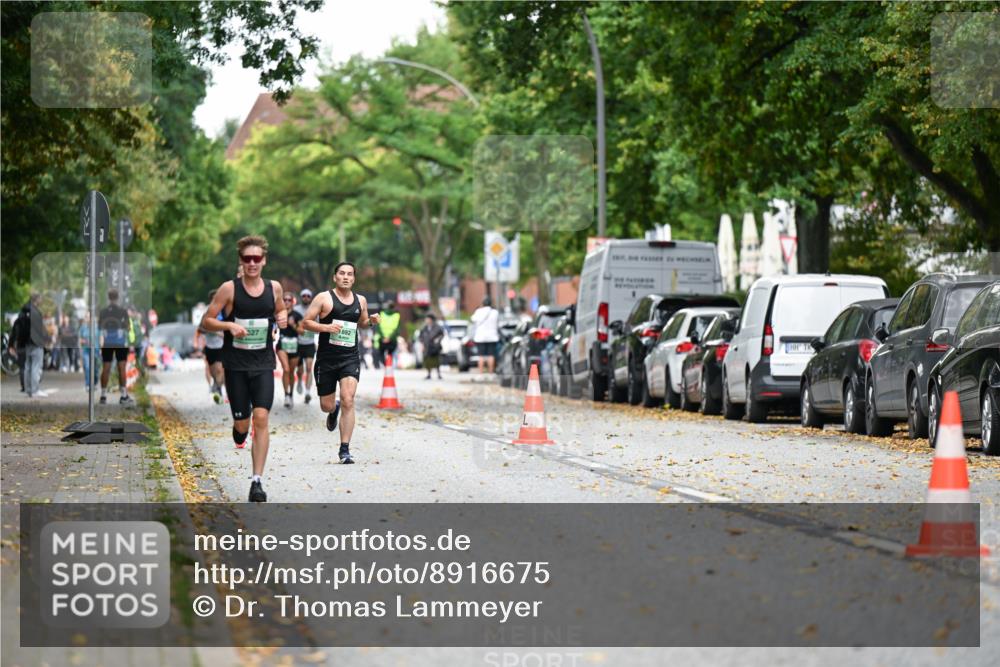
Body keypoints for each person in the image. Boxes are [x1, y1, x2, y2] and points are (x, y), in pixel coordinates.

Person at [201, 235, 286, 502]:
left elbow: (281, 311)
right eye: (247, 259)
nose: (252, 263)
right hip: (236, 365)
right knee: (243, 423)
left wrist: (282, 319)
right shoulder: (229, 289)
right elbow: (207, 321)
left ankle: (256, 481)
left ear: (264, 261)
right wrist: (229, 326)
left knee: (261, 418)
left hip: (263, 363)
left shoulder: (274, 288)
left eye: (256, 258)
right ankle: (239, 430)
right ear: (241, 261)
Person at [301, 261, 380, 465]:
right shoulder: (323, 298)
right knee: (326, 405)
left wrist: (371, 320)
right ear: (335, 277)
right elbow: (306, 322)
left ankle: (345, 449)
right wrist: (326, 328)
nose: (346, 277)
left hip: (350, 357)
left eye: (350, 274)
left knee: (348, 399)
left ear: (354, 278)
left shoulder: (360, 300)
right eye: (342, 273)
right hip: (326, 359)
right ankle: (332, 409)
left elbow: (361, 323)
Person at [98, 289, 132, 404]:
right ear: (117, 298)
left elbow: (99, 327)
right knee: (121, 368)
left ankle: (103, 396)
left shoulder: (103, 312)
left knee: (106, 368)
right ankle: (123, 396)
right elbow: (128, 327)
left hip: (107, 342)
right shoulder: (122, 311)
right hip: (120, 342)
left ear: (108, 298)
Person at [198, 290, 226, 404]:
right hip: (210, 346)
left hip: (222, 345)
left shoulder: (224, 310)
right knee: (213, 370)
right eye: (214, 298)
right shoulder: (207, 312)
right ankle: (216, 383)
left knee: (220, 369)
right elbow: (201, 328)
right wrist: (215, 331)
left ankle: (218, 390)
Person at [277, 292, 303, 408]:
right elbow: (272, 326)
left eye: (289, 300)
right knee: (286, 369)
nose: (286, 302)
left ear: (292, 302)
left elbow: (302, 331)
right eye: (284, 299)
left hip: (294, 345)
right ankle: (286, 395)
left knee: (291, 371)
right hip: (282, 344)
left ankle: (291, 394)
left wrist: (293, 325)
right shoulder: (278, 314)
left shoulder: (297, 315)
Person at [293, 288, 316, 403]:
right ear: (301, 297)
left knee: (309, 367)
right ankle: (299, 381)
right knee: (300, 370)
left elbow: (318, 327)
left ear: (310, 298)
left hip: (310, 343)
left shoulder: (314, 310)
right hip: (298, 343)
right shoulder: (296, 309)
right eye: (304, 296)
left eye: (308, 296)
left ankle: (307, 392)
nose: (306, 298)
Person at [22, 295, 47, 397]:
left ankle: (28, 389)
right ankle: (35, 390)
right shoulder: (36, 312)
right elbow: (40, 329)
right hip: (36, 342)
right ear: (36, 300)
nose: (41, 301)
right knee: (36, 367)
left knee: (28, 366)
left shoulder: (24, 311)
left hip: (26, 342)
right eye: (40, 299)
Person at [471, 296, 500, 374]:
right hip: (492, 336)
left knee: (481, 356)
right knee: (491, 355)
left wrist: (480, 308)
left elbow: (473, 319)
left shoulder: (478, 311)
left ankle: (481, 373)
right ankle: (490, 373)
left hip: (480, 337)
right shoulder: (495, 312)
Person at [9, 303, 30, 392]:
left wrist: (10, 346)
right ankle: (30, 385)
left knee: (22, 367)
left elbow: (13, 335)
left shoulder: (17, 321)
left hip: (20, 346)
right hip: (30, 346)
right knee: (30, 366)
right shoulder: (31, 321)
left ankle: (23, 386)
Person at [418, 314, 444, 380]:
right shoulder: (424, 328)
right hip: (426, 346)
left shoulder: (437, 327)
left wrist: (438, 340)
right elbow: (420, 336)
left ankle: (438, 374)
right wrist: (422, 344)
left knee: (436, 360)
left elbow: (441, 334)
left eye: (428, 319)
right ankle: (428, 374)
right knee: (427, 361)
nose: (427, 320)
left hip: (435, 346)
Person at [377, 300, 400, 367]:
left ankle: (385, 365)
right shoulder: (397, 315)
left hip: (382, 339)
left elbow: (378, 328)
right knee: (391, 353)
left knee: (381, 353)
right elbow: (397, 329)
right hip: (392, 340)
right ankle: (389, 365)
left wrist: (383, 337)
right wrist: (390, 338)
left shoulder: (381, 314)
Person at [78, 313, 97, 390]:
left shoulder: (96, 327)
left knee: (96, 369)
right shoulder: (83, 328)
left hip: (95, 350)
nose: (87, 318)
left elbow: (100, 337)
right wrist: (84, 341)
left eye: (88, 317)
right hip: (86, 350)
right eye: (86, 317)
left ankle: (94, 383)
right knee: (87, 366)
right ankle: (87, 384)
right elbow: (79, 339)